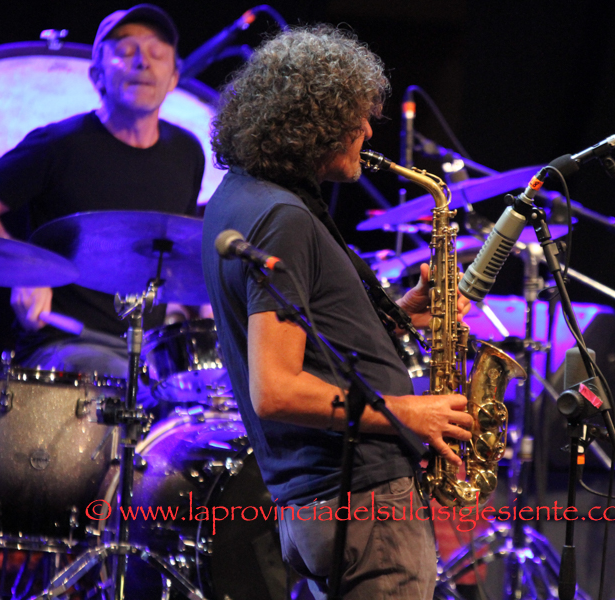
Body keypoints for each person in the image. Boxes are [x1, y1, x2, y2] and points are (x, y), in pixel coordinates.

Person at [202, 25, 473, 599]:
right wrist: (408, 412)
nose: (369, 131)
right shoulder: (283, 217)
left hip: (322, 503)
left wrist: (399, 314)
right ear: (315, 122)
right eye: (356, 117)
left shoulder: (241, 196)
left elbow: (307, 330)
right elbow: (276, 390)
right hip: (362, 501)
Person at [0, 4, 204, 376]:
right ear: (97, 75)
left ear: (174, 78)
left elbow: (174, 257)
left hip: (145, 354)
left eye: (157, 53)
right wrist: (24, 273)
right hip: (63, 346)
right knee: (124, 382)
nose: (142, 62)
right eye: (125, 51)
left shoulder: (187, 153)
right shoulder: (59, 143)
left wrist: (181, 314)